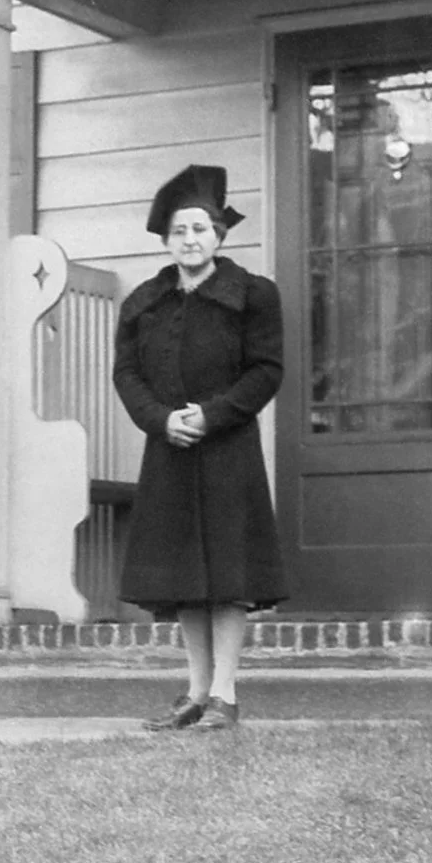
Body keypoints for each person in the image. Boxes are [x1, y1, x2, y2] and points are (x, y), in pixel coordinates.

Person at [112, 164, 287, 731]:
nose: (191, 239)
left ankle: (226, 694)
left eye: (201, 229)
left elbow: (266, 371)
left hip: (228, 448)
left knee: (228, 574)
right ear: (166, 239)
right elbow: (127, 375)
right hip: (169, 449)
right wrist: (161, 421)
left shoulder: (253, 296)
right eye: (180, 231)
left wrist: (211, 416)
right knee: (185, 574)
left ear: (220, 235)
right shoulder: (144, 303)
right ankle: (194, 692)